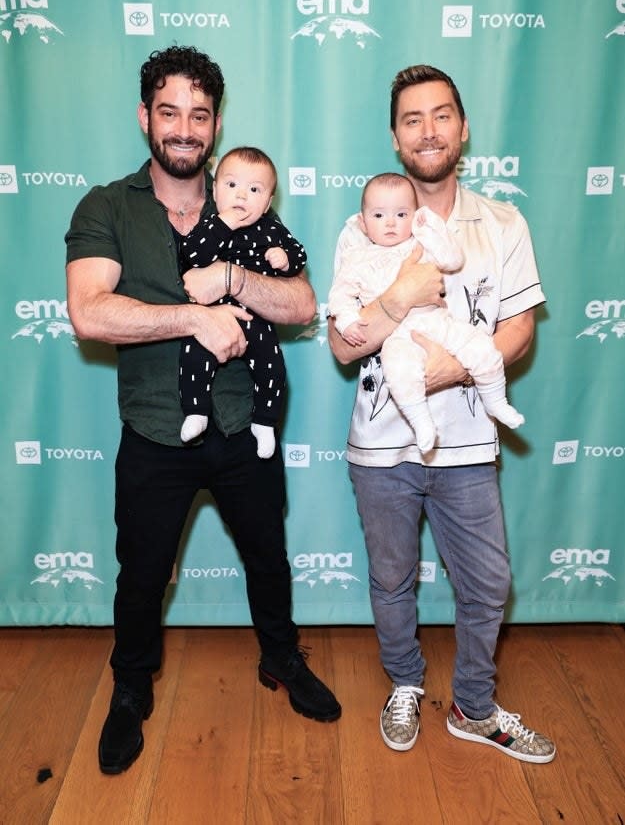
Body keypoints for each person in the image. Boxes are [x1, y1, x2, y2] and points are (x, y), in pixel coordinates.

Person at [65, 45, 341, 776]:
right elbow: (90, 312)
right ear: (144, 117)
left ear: (215, 125)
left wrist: (232, 279)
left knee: (267, 559)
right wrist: (189, 317)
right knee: (142, 572)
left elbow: (302, 303)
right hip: (156, 429)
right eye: (169, 112)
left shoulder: (246, 203)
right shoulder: (106, 205)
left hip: (246, 425)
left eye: (199, 113)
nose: (184, 128)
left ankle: (281, 660)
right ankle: (130, 689)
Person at [328, 65, 555, 762]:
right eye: (411, 119)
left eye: (440, 115)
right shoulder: (359, 227)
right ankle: (403, 683)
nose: (427, 130)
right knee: (391, 579)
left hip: (466, 445)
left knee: (488, 582)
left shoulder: (501, 222)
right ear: (395, 138)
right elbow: (342, 345)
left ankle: (474, 707)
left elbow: (518, 329)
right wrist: (398, 296)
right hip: (381, 447)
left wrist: (449, 369)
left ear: (461, 127)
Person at [328, 172, 524, 454]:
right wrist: (347, 320)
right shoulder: (356, 257)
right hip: (398, 336)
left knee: (481, 347)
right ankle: (422, 424)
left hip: (438, 321)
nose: (391, 223)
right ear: (362, 222)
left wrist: (431, 226)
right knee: (399, 372)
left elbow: (452, 258)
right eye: (379, 216)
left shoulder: (420, 243)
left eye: (401, 214)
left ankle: (496, 402)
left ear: (414, 215)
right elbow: (340, 295)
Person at [179, 145, 307, 457]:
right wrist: (224, 225)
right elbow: (192, 255)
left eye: (254, 189)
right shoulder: (209, 225)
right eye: (231, 185)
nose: (241, 196)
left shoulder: (271, 228)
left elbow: (300, 255)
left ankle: (264, 422)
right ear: (215, 190)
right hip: (210, 315)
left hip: (256, 318)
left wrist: (286, 258)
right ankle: (196, 412)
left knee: (273, 369)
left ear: (267, 203)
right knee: (194, 357)